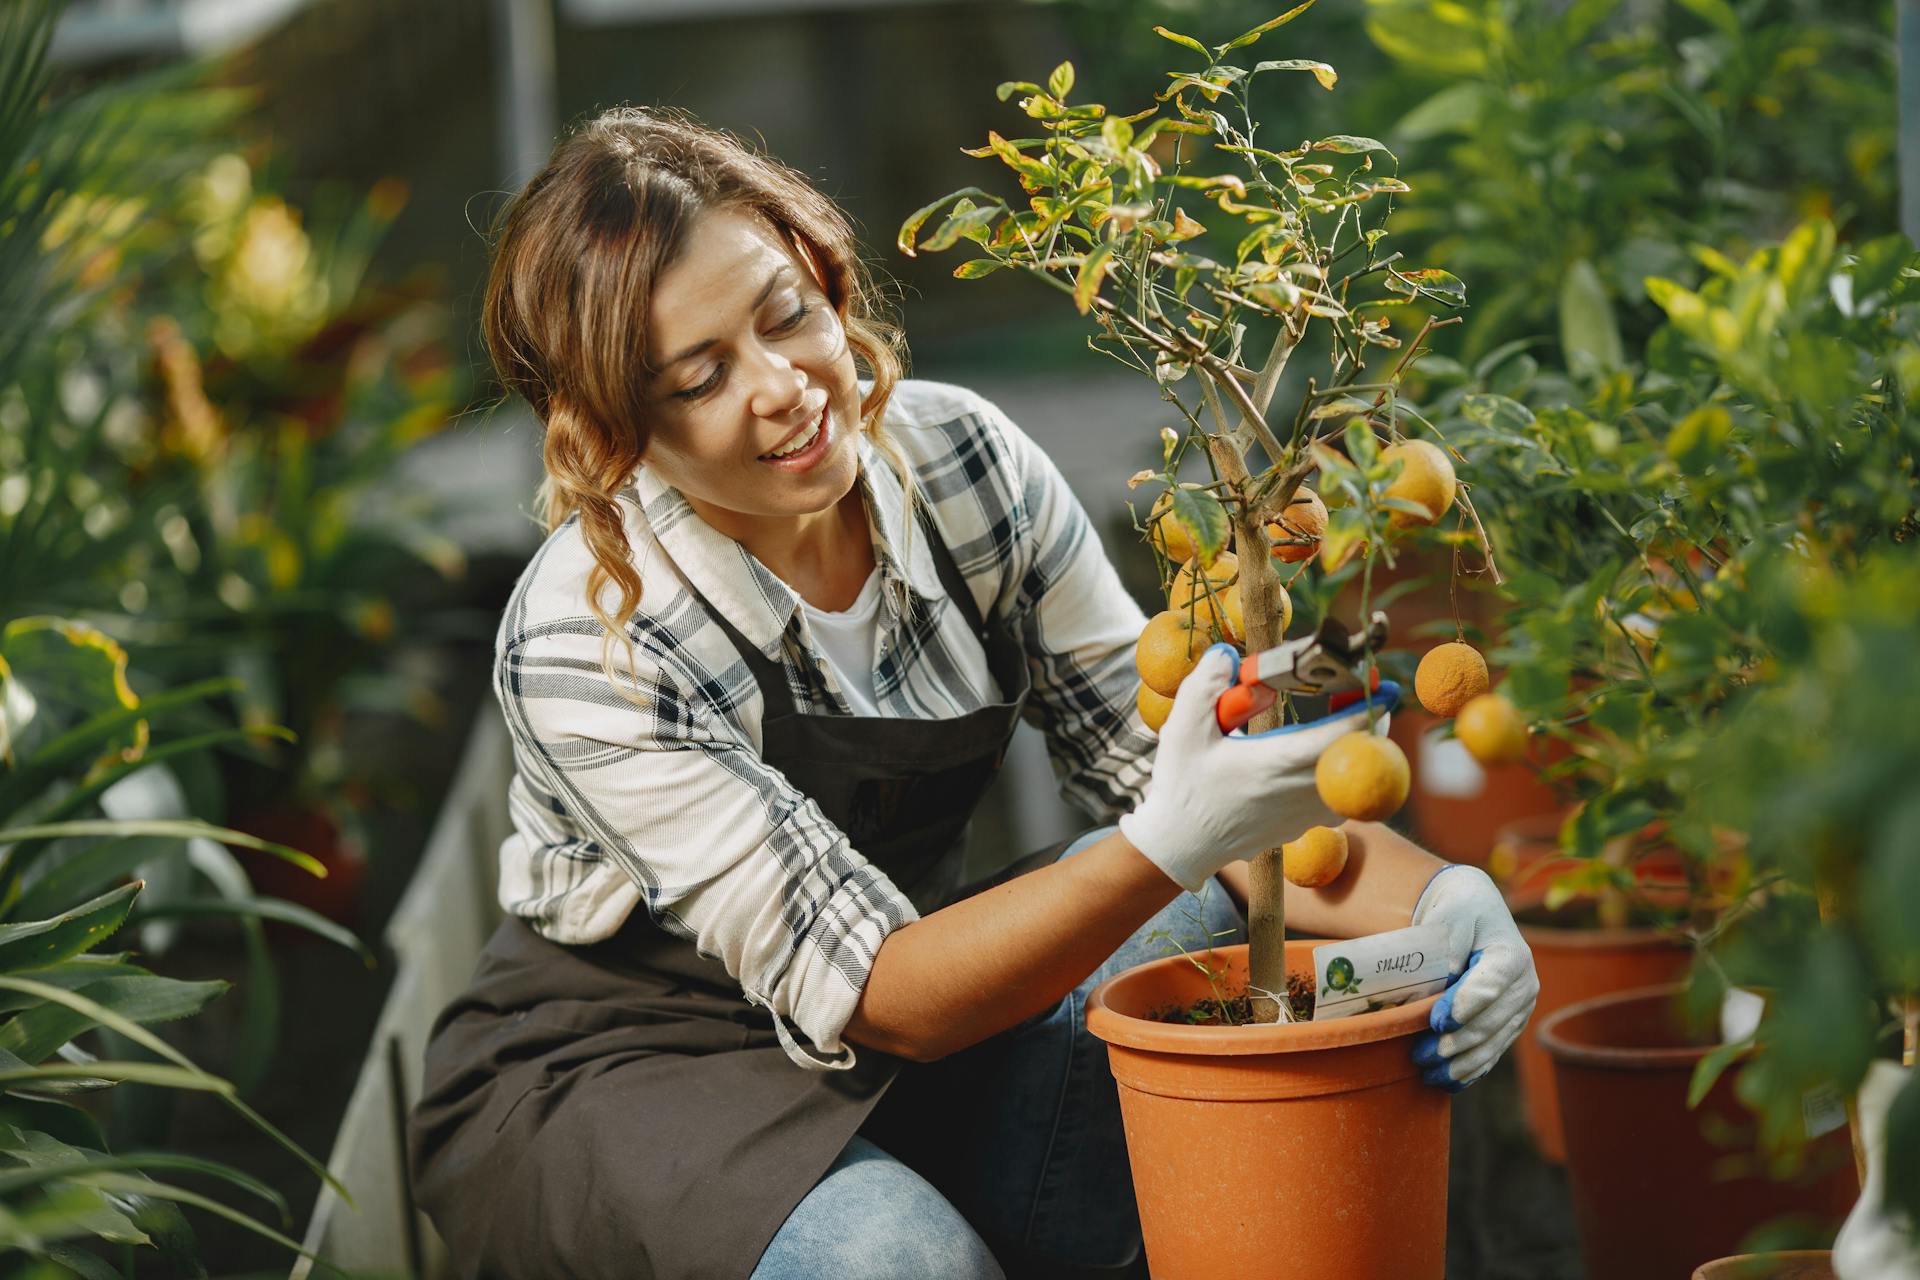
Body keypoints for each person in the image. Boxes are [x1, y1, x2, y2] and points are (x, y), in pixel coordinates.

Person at [409, 105, 1539, 1280]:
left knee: (1218, 917)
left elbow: (1197, 790)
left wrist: (1445, 899)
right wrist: (1168, 838)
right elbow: (893, 992)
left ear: (825, 274)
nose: (786, 386)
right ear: (618, 435)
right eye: (700, 378)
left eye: (787, 315)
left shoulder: (965, 469)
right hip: (631, 1069)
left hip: (895, 1027)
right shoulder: (594, 632)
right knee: (900, 1262)